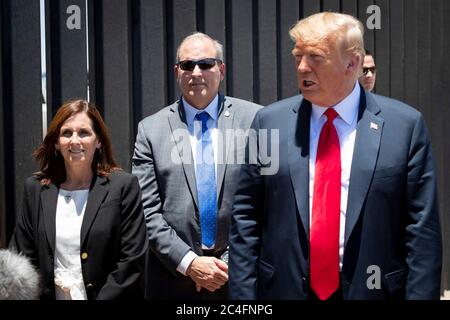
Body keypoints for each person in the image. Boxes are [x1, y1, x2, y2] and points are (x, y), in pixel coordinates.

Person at [229, 12, 442, 300]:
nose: (302, 67)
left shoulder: (405, 126)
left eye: (315, 57)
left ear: (352, 63)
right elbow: (246, 219)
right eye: (297, 56)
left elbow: (422, 233)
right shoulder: (269, 122)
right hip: (286, 289)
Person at [132, 32, 261, 299]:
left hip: (240, 278)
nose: (197, 72)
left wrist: (226, 264)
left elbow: (266, 202)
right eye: (188, 65)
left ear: (221, 70)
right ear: (177, 72)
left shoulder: (255, 120)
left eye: (206, 64)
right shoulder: (150, 130)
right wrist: (190, 263)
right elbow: (148, 213)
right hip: (173, 280)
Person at [10, 100, 149, 300]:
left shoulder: (123, 187)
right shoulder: (35, 189)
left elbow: (132, 261)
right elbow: (24, 257)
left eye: (84, 132)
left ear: (98, 140)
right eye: (67, 133)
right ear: (57, 142)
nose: (75, 140)